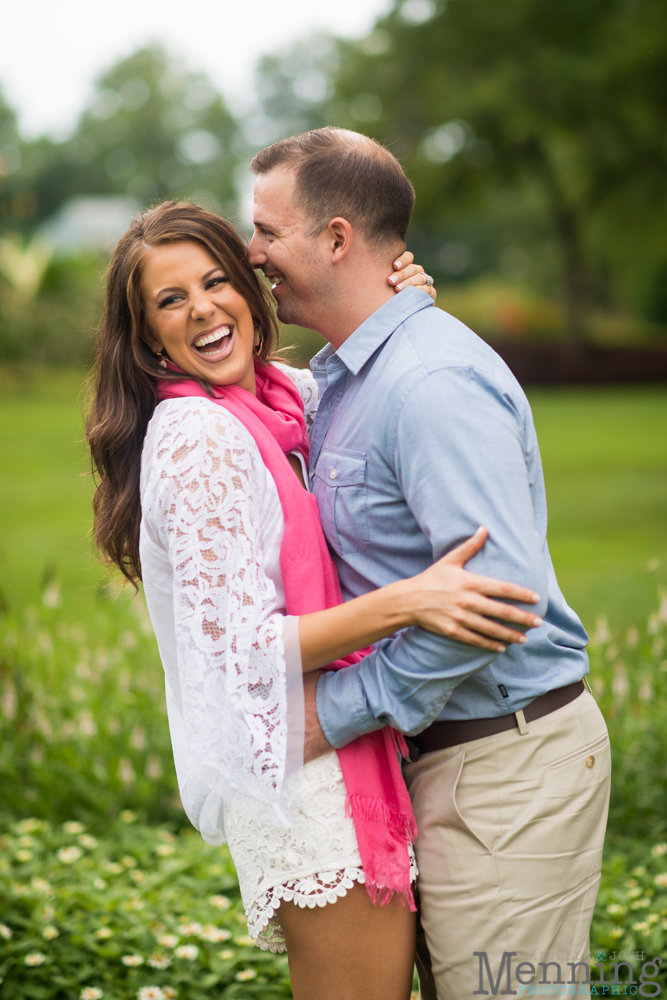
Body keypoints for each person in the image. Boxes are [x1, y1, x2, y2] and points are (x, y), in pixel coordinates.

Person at [85, 200, 542, 1000]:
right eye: (170, 300)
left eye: (217, 281)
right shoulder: (198, 440)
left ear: (248, 289)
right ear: (148, 337)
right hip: (305, 785)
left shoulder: (276, 402)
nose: (202, 309)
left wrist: (400, 309)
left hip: (343, 750)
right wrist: (411, 600)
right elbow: (244, 651)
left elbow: (363, 376)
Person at [247, 127, 612, 1000]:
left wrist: (331, 711)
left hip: (504, 769)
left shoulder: (429, 384)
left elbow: (498, 600)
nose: (250, 251)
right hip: (436, 761)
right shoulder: (347, 374)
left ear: (336, 239)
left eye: (266, 232)